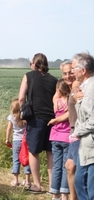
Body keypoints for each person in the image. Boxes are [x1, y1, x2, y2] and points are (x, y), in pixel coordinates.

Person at [18, 53, 57, 193]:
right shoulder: (54, 80)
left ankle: (37, 185)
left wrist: (22, 115)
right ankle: (53, 187)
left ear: (34, 63)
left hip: (35, 118)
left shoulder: (29, 75)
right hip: (52, 119)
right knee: (50, 152)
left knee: (33, 151)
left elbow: (21, 98)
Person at [71, 52, 94, 200]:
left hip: (91, 146)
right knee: (80, 183)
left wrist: (77, 131)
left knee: (88, 188)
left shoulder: (91, 89)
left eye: (74, 68)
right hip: (85, 146)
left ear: (83, 70)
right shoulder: (84, 87)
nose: (72, 71)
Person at [48, 78, 71, 200]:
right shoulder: (70, 101)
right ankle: (64, 194)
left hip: (55, 136)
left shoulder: (56, 101)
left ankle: (55, 193)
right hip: (67, 137)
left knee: (56, 165)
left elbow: (56, 95)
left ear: (58, 90)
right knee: (65, 166)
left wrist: (57, 90)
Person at [5, 98, 31, 187]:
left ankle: (15, 180)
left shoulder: (11, 117)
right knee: (26, 160)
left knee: (16, 160)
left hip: (16, 141)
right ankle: (28, 181)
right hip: (25, 141)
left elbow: (9, 129)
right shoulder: (26, 117)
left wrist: (7, 139)